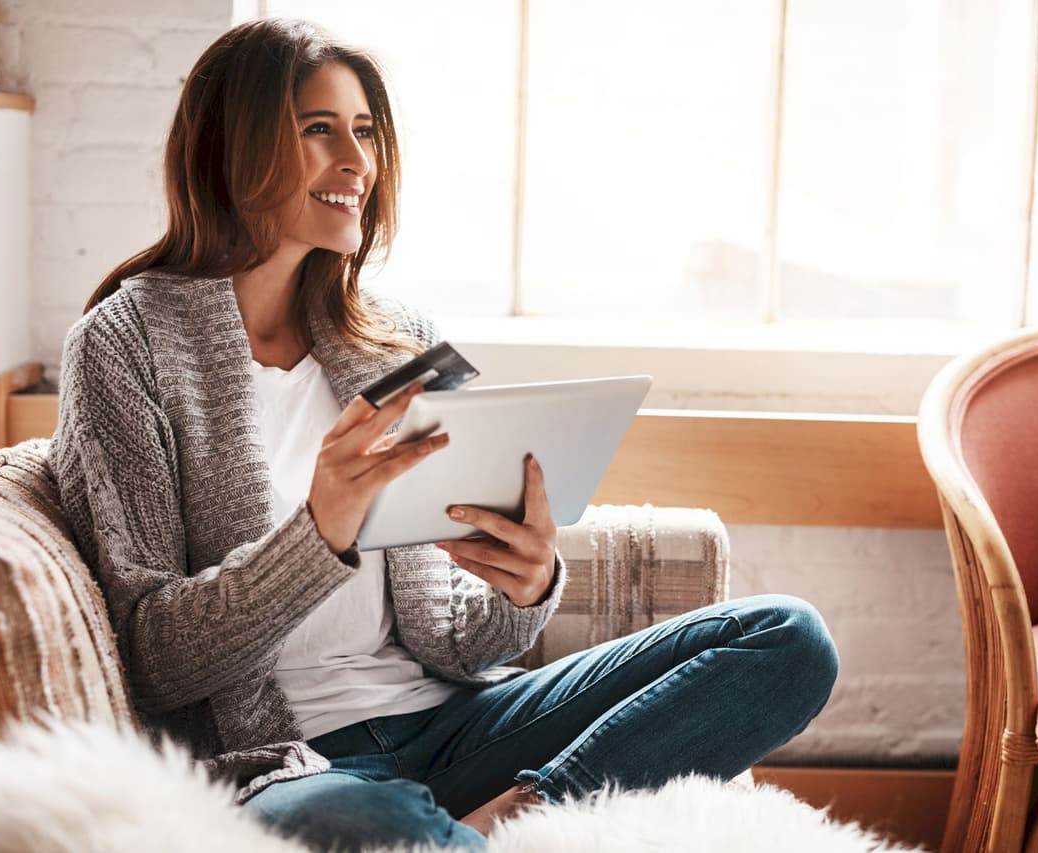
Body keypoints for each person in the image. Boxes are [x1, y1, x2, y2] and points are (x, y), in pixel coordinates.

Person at [49, 17, 840, 852]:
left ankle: (522, 817)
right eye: (319, 131)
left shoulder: (396, 339)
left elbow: (463, 642)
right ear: (231, 147)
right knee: (353, 818)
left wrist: (525, 587)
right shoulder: (123, 345)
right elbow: (155, 661)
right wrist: (319, 531)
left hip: (462, 725)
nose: (357, 162)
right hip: (291, 767)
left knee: (788, 638)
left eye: (364, 132)